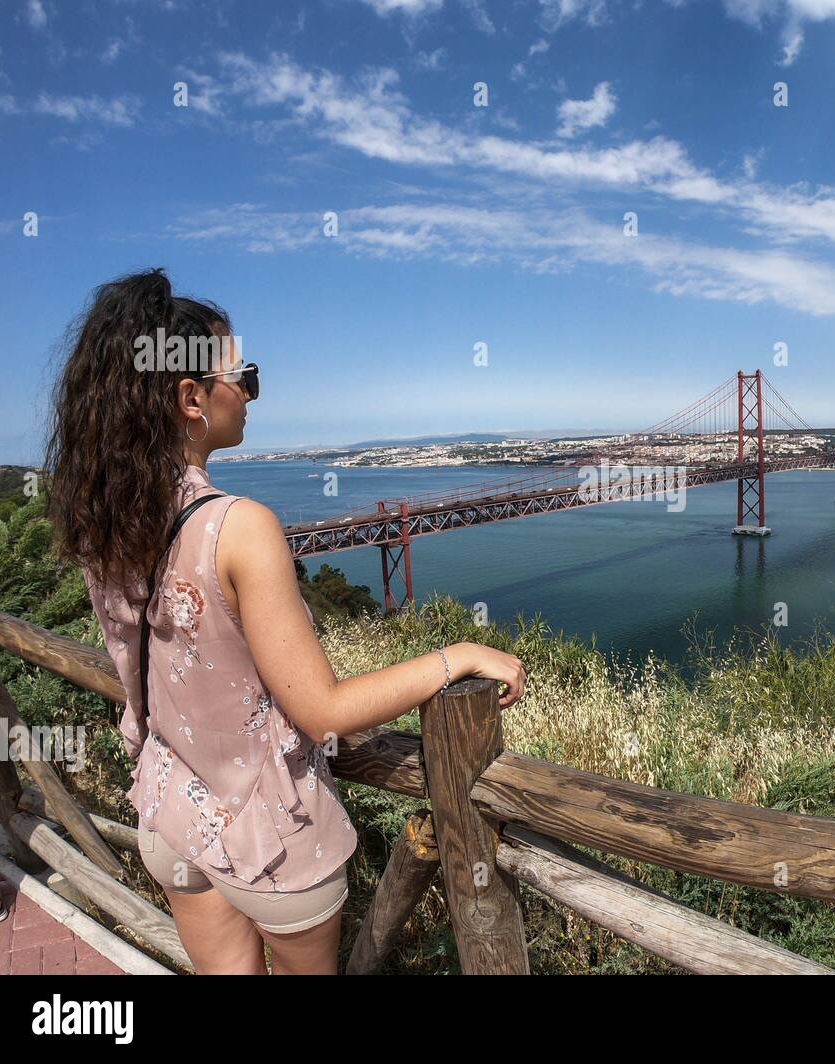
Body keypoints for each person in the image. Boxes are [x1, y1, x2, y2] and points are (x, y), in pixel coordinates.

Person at [44, 268, 525, 974]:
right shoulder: (241, 528)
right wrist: (454, 657)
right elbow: (323, 711)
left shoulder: (103, 520)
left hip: (172, 816)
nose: (253, 394)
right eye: (246, 377)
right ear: (190, 398)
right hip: (270, 839)